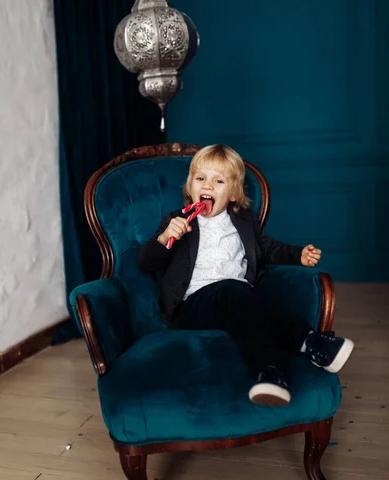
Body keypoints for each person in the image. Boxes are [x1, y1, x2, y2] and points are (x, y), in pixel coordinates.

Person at [138, 144, 354, 406]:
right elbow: (145, 264)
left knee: (256, 306)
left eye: (218, 181)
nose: (207, 185)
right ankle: (311, 343)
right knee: (231, 291)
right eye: (200, 178)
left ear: (232, 194)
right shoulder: (176, 220)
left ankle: (273, 374)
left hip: (239, 298)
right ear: (190, 186)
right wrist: (165, 238)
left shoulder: (242, 220)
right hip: (193, 306)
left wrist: (297, 255)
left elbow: (265, 248)